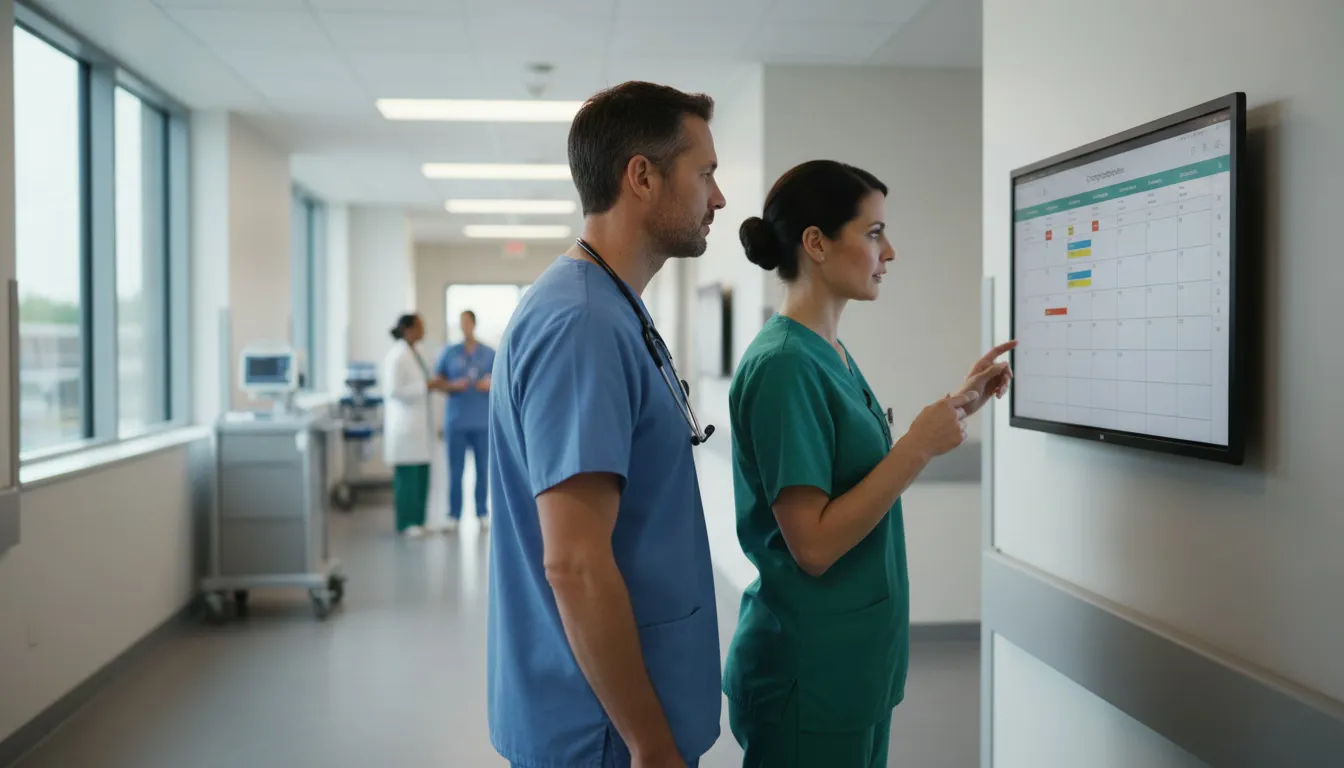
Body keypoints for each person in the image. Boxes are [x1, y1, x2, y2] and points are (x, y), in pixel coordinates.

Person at [723, 160, 1014, 767]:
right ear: (816, 243)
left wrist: (957, 406)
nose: (891, 251)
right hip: (809, 671)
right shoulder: (784, 365)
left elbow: (858, 478)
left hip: (850, 664)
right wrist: (916, 445)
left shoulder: (827, 351)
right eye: (874, 232)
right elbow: (815, 545)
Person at [486, 81, 726, 768]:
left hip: (602, 718)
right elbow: (576, 562)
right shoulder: (583, 325)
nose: (719, 197)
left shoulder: (607, 308)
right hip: (603, 732)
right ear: (642, 176)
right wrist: (650, 745)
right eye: (704, 173)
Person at [381, 313, 449, 538]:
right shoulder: (396, 356)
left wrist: (431, 383)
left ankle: (420, 519)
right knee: (407, 477)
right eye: (420, 326)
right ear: (408, 330)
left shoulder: (417, 352)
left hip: (420, 425)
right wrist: (425, 385)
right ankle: (407, 522)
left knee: (421, 473)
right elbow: (392, 390)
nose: (423, 330)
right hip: (405, 426)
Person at [434, 309, 495, 532]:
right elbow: (436, 380)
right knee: (455, 469)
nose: (465, 326)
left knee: (482, 469)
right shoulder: (450, 352)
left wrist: (490, 383)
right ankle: (454, 514)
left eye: (468, 322)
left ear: (474, 324)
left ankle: (482, 512)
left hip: (481, 421)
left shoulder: (489, 353)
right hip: (457, 420)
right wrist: (452, 385)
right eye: (462, 323)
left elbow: (501, 379)